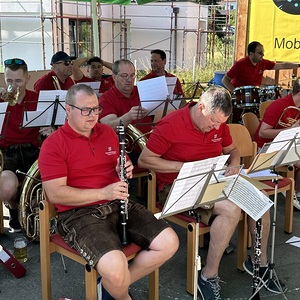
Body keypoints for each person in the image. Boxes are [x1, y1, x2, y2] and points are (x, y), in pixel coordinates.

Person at [138, 86, 285, 299]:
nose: (216, 127)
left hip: (214, 180)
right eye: (213, 122)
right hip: (179, 185)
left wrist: (234, 163)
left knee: (260, 201)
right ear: (201, 108)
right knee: (231, 209)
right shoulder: (170, 125)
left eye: (220, 124)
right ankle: (208, 275)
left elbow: (232, 150)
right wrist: (184, 167)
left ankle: (258, 264)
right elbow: (145, 160)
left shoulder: (218, 125)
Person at [38, 84, 179, 300]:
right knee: (116, 268)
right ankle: (121, 294)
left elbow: (117, 165)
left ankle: (111, 286)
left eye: (96, 109)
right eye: (86, 110)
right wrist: (104, 192)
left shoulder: (107, 132)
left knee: (169, 243)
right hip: (79, 214)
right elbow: (57, 195)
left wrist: (125, 168)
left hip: (117, 202)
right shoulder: (53, 145)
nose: (93, 115)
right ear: (68, 109)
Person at [0, 58, 40, 233]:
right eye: (9, 80)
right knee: (7, 188)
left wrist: (50, 127)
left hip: (31, 150)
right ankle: (13, 205)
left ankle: (33, 212)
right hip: (6, 152)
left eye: (18, 81)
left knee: (51, 180)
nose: (13, 85)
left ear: (27, 78)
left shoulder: (38, 99)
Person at [254, 77, 300, 210]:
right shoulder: (279, 105)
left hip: (285, 145)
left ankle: (296, 191)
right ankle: (294, 194)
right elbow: (263, 133)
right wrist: (289, 131)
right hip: (266, 148)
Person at [99, 59, 153, 164]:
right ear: (114, 77)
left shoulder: (142, 91)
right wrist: (128, 117)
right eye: (124, 76)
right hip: (125, 153)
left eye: (132, 75)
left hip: (150, 147)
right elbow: (108, 127)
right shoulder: (106, 99)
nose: (129, 79)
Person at [222, 41, 300, 92]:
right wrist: (235, 93)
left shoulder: (263, 63)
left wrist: (298, 65)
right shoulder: (240, 64)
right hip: (240, 99)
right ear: (251, 53)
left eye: (263, 53)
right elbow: (225, 80)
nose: (262, 55)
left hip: (254, 97)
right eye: (260, 53)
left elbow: (282, 66)